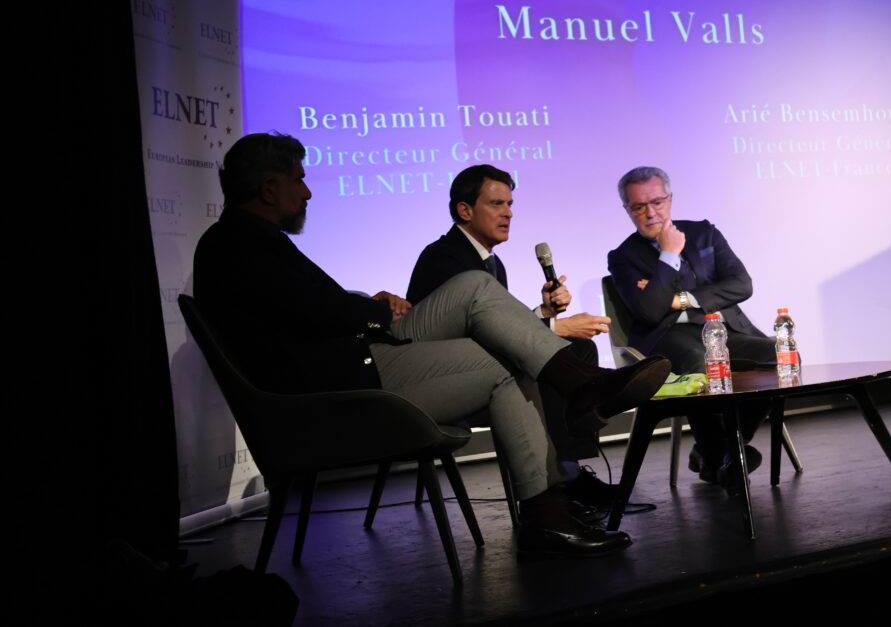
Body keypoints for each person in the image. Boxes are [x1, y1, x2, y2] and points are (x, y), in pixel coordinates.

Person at [193, 133, 671, 557]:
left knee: (476, 291)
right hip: (342, 385)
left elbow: (306, 307)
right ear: (269, 187)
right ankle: (556, 480)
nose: (308, 190)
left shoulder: (249, 240)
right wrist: (374, 310)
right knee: (501, 350)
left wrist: (362, 301)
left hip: (360, 361)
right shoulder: (240, 243)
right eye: (298, 179)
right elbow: (314, 314)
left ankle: (564, 457)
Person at [407, 165, 618, 512]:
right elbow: (469, 336)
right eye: (496, 204)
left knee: (577, 348)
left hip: (482, 362)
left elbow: (499, 328)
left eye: (510, 204)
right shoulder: (444, 258)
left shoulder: (491, 262)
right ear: (465, 210)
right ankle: (566, 479)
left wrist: (545, 313)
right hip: (447, 378)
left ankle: (571, 470)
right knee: (549, 358)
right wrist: (555, 329)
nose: (508, 213)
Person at [606, 166, 772, 491]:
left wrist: (679, 298)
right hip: (668, 337)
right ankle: (723, 456)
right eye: (639, 207)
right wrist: (668, 255)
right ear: (627, 210)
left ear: (669, 199)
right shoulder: (623, 257)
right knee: (699, 361)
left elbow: (742, 284)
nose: (650, 212)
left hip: (722, 329)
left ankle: (721, 451)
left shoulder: (704, 233)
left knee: (773, 356)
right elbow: (651, 311)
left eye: (656, 201)